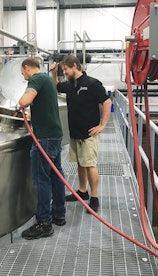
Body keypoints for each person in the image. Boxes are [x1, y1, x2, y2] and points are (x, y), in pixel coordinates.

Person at [51, 55, 112, 213]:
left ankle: (94, 197)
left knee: (90, 164)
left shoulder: (92, 83)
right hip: (75, 132)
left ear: (74, 66)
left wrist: (102, 125)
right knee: (80, 162)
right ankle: (82, 191)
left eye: (65, 69)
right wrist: (53, 74)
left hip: (89, 133)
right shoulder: (71, 84)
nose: (64, 72)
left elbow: (107, 102)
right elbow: (57, 87)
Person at [18, 57, 66, 240]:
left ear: (27, 68)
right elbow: (44, 104)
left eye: (23, 72)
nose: (23, 76)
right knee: (56, 175)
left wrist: (21, 101)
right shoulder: (47, 79)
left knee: (42, 180)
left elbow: (25, 100)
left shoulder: (36, 79)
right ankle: (59, 215)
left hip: (44, 138)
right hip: (55, 134)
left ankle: (44, 223)